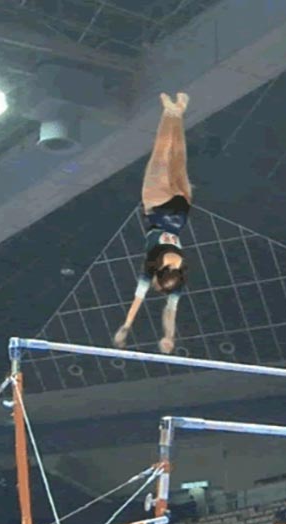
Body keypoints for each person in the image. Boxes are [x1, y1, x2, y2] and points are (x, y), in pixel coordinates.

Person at [114, 92, 191, 354]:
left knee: (179, 154)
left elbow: (171, 312)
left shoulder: (179, 276)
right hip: (157, 205)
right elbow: (137, 301)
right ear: (158, 277)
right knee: (161, 152)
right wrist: (125, 327)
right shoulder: (151, 265)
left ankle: (177, 111)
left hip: (182, 209)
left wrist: (170, 337)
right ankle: (168, 111)